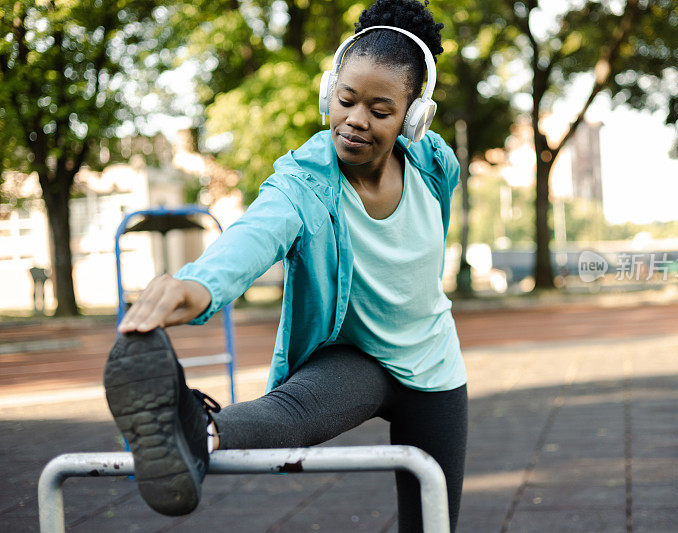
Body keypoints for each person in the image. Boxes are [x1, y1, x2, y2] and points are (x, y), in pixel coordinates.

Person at [103, 1, 468, 531]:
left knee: (432, 523)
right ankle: (191, 430)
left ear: (414, 118)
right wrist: (196, 287)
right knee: (291, 412)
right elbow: (254, 237)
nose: (356, 121)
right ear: (329, 94)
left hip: (435, 367)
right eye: (345, 101)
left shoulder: (435, 165)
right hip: (357, 360)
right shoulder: (303, 182)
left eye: (380, 110)